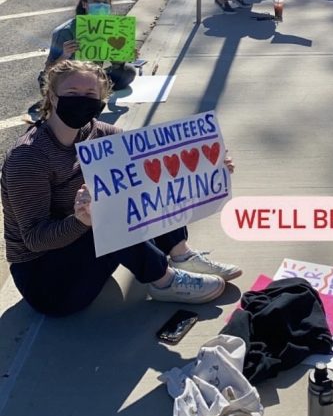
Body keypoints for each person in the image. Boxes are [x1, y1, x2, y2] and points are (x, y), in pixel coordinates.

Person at [1, 59, 241, 317]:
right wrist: (83, 221)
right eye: (72, 94)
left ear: (102, 98)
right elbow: (35, 239)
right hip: (49, 283)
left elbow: (154, 175)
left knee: (149, 180)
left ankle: (180, 253)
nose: (82, 100)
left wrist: (207, 166)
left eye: (90, 94)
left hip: (87, 255)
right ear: (52, 96)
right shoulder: (28, 158)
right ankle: (164, 281)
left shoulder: (99, 133)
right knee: (111, 213)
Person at [41, 0, 137, 92]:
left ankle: (92, 92)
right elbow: (48, 69)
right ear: (84, 4)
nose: (101, 5)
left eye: (105, 2)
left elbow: (116, 64)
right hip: (67, 78)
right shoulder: (65, 31)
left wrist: (125, 53)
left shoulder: (110, 27)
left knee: (128, 72)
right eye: (96, 1)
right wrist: (64, 55)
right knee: (48, 85)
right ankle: (91, 92)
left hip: (93, 76)